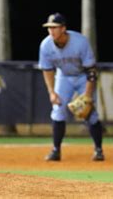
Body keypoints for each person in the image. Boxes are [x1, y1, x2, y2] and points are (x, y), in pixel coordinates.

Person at [39, 13, 104, 161]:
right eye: (49, 28)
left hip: (83, 77)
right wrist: (52, 92)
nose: (51, 31)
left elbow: (91, 71)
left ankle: (98, 150)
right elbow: (47, 70)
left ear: (63, 28)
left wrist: (87, 95)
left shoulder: (80, 42)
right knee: (58, 110)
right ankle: (56, 150)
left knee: (90, 113)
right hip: (63, 77)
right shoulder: (45, 45)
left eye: (55, 27)